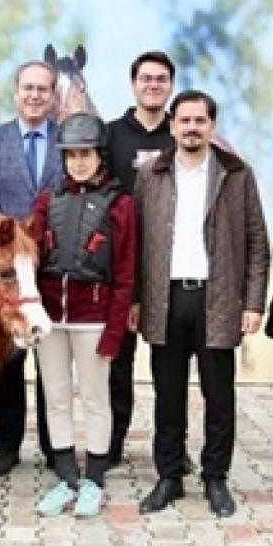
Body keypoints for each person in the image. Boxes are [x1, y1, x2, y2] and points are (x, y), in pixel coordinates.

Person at [133, 90, 270, 518]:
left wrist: (253, 303)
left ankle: (215, 478)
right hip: (165, 297)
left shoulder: (236, 174)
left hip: (218, 297)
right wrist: (136, 298)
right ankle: (169, 476)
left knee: (218, 395)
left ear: (212, 126)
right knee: (167, 394)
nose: (192, 128)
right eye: (184, 120)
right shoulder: (151, 174)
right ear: (172, 126)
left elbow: (256, 244)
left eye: (200, 120)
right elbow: (134, 245)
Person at [29, 113, 136, 518]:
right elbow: (33, 259)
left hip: (94, 318)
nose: (77, 162)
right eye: (71, 154)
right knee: (55, 398)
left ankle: (93, 480)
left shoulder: (121, 204)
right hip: (52, 320)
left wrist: (114, 332)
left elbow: (125, 274)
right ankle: (64, 479)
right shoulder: (47, 199)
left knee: (95, 399)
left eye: (85, 154)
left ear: (100, 155)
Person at [0, 60, 62, 476]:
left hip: (53, 264)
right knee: (7, 360)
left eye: (43, 88)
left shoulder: (69, 143)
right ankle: (7, 446)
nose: (35, 95)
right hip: (7, 272)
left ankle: (54, 444)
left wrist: (40, 244)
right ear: (15, 92)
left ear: (53, 94)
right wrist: (14, 240)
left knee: (52, 359)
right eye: (28, 87)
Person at [104, 50, 175, 468]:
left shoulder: (181, 133)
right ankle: (112, 443)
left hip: (172, 268)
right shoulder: (112, 135)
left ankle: (172, 449)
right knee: (118, 361)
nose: (153, 85)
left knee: (170, 366)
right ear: (133, 84)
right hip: (122, 267)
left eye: (161, 79)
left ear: (170, 86)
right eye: (146, 78)